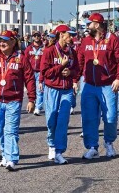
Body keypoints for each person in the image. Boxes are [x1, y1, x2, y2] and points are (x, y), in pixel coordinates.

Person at [0, 30, 36, 171]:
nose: (1, 43)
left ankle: (12, 158)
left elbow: (29, 78)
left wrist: (32, 99)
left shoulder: (21, 58)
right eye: (0, 40)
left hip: (13, 101)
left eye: (5, 40)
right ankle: (5, 154)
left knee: (10, 131)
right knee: (0, 131)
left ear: (13, 42)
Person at [76, 13, 119, 159]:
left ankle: (109, 143)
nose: (87, 26)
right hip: (89, 85)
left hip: (108, 85)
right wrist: (74, 80)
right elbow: (80, 62)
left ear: (97, 25)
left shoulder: (112, 40)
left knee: (110, 116)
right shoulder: (86, 41)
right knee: (89, 117)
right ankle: (92, 147)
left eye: (90, 23)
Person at [39, 25, 79, 164]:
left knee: (63, 120)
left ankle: (59, 151)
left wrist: (71, 73)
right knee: (51, 120)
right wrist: (60, 66)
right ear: (61, 35)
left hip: (67, 90)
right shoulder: (49, 51)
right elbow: (45, 73)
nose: (72, 38)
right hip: (52, 89)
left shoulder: (72, 52)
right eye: (69, 35)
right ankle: (51, 144)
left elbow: (77, 70)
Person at [24, 30, 45, 116]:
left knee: (40, 90)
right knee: (31, 89)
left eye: (38, 35)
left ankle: (38, 108)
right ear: (32, 37)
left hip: (40, 72)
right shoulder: (29, 48)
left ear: (40, 37)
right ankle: (33, 102)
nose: (36, 37)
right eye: (34, 36)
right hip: (31, 71)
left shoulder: (44, 48)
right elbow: (25, 60)